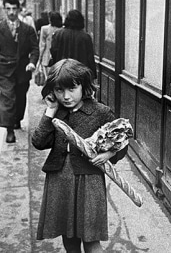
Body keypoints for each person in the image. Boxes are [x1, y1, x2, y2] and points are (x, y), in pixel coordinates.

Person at [31, 58, 127, 253]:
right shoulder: (56, 112)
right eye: (59, 90)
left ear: (84, 86)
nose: (66, 96)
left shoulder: (100, 112)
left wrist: (108, 154)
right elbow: (39, 142)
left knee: (91, 239)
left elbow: (123, 141)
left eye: (72, 89)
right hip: (60, 179)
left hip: (89, 181)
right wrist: (50, 111)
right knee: (69, 237)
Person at [0, 0, 39, 143]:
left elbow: (34, 49)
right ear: (4, 9)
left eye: (14, 8)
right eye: (8, 8)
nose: (11, 12)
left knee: (20, 97)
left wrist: (32, 62)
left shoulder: (28, 29)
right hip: (3, 70)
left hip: (22, 70)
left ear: (19, 9)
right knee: (8, 98)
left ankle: (17, 119)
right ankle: (9, 130)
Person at [50, 9, 97, 82]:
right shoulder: (85, 37)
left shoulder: (58, 34)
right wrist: (93, 75)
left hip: (62, 72)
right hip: (80, 74)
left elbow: (53, 51)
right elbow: (90, 57)